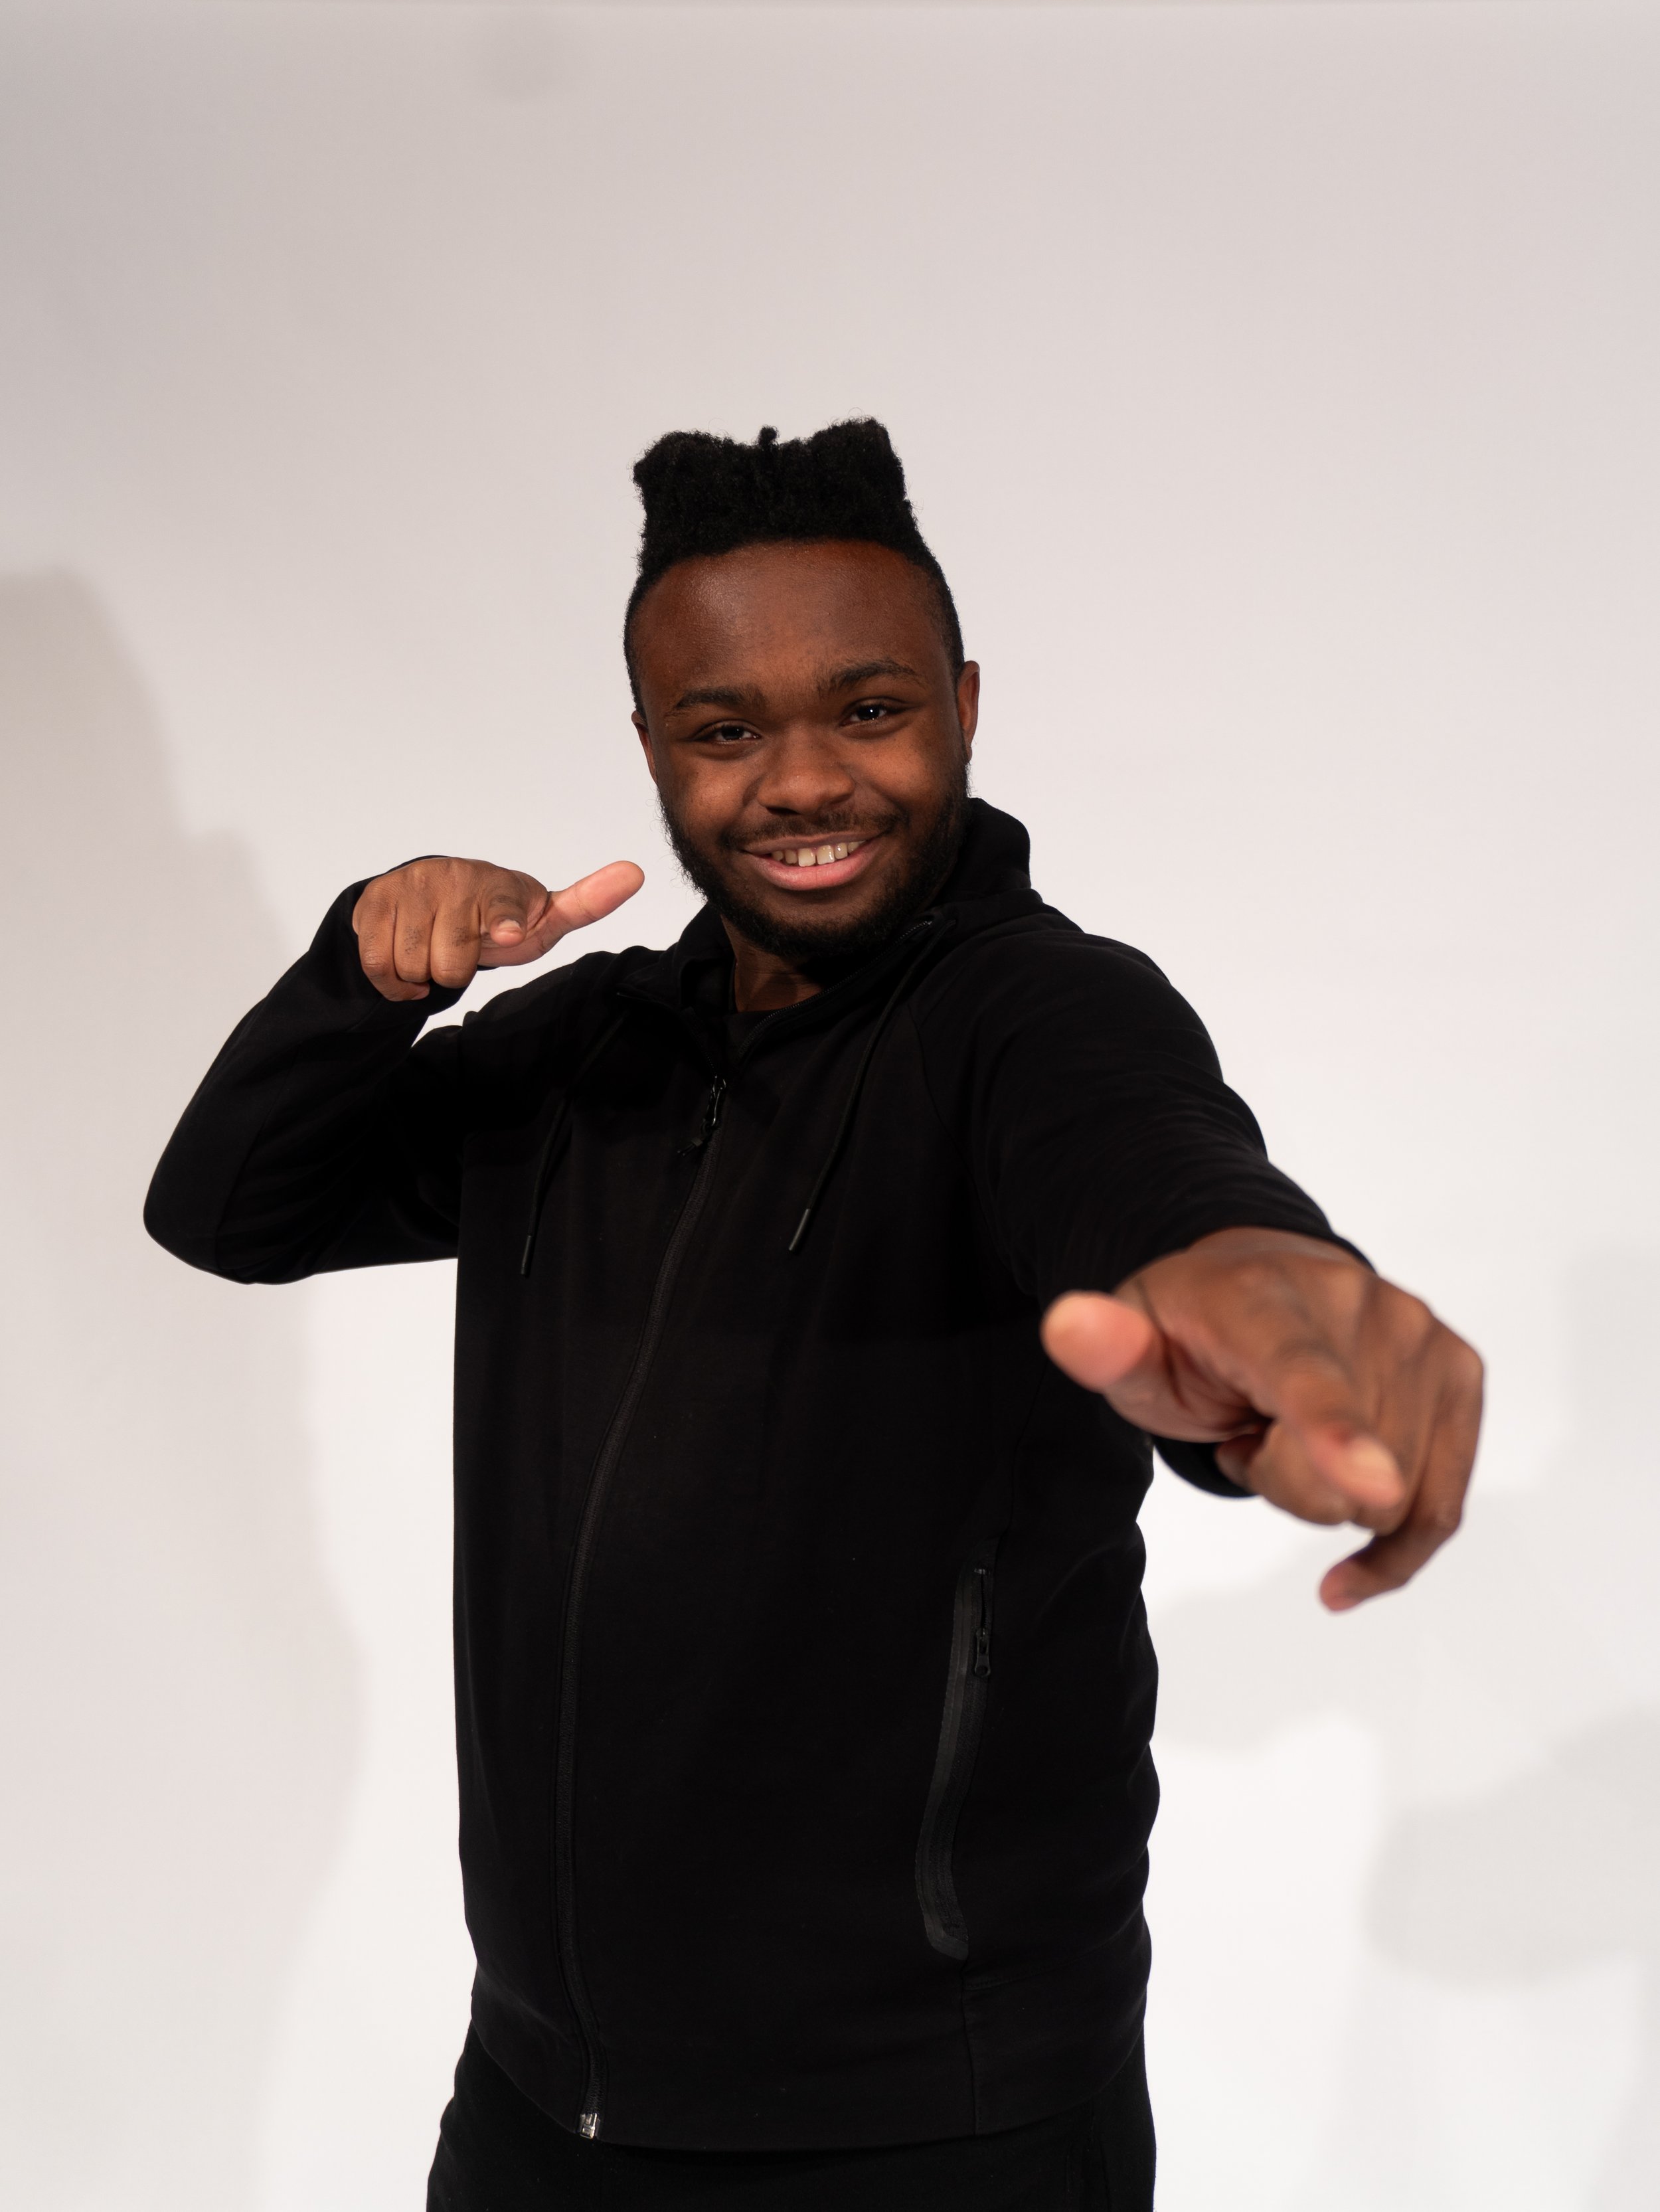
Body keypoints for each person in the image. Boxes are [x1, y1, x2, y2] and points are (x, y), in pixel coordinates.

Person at [145, 420, 1483, 2210]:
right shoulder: (585, 1054)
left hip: (935, 2126)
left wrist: (1263, 1285)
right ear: (650, 745)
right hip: (545, 2103)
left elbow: (1150, 1164)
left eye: (868, 710)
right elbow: (230, 1208)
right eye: (723, 731)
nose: (801, 781)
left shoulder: (1035, 1019)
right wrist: (356, 975)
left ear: (964, 705)